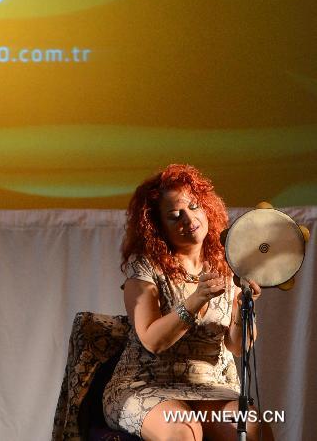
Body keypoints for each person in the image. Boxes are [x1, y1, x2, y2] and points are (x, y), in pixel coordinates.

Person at [102, 164, 273, 441]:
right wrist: (196, 300)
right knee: (182, 430)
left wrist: (244, 307)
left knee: (255, 431)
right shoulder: (145, 267)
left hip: (210, 385)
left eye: (194, 206)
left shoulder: (228, 264)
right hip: (146, 384)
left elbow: (237, 346)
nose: (189, 218)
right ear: (158, 227)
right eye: (174, 216)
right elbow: (153, 341)